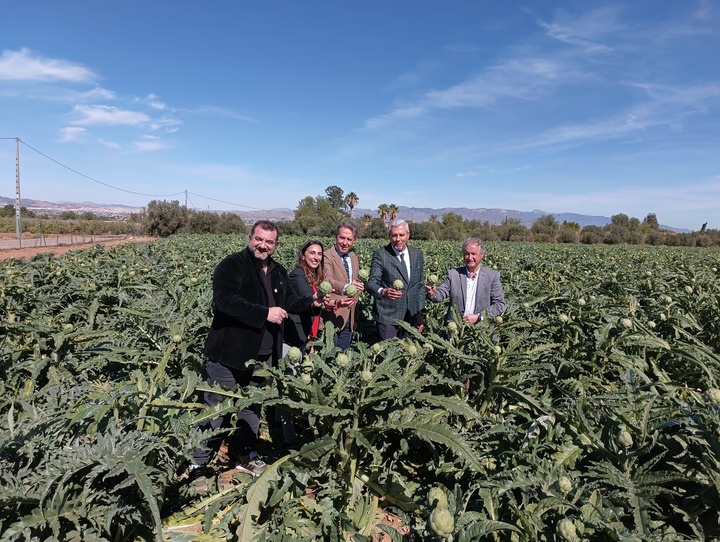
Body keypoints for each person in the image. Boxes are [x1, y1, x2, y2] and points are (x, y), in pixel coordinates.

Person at [190, 220, 322, 486]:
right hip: (229, 353)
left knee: (251, 409)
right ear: (250, 237)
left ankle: (246, 454)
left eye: (269, 242)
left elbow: (288, 304)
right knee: (216, 411)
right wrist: (264, 314)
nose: (263, 245)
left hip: (263, 356)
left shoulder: (277, 271)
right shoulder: (233, 265)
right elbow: (225, 302)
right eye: (259, 239)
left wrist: (312, 302)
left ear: (276, 245)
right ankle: (197, 464)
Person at [367, 219, 425, 340]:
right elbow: (371, 283)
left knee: (407, 354)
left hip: (411, 315)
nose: (398, 239)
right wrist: (383, 291)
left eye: (401, 235)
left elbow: (419, 286)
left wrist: (419, 313)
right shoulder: (381, 254)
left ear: (408, 235)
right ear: (389, 236)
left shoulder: (417, 254)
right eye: (394, 235)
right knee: (389, 353)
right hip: (388, 316)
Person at [425, 237, 506, 323]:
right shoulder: (454, 274)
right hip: (455, 329)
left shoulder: (492, 276)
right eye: (467, 254)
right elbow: (441, 293)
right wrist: (433, 293)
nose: (470, 257)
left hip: (482, 330)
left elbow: (500, 305)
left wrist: (480, 316)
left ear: (482, 255)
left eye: (473, 254)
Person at [322, 222, 364, 350]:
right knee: (329, 356)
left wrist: (354, 319)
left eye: (349, 239)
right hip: (331, 317)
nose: (345, 242)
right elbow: (328, 279)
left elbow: (355, 288)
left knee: (343, 356)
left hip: (349, 319)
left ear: (354, 241)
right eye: (342, 238)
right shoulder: (327, 256)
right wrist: (347, 287)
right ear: (336, 237)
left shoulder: (354, 258)